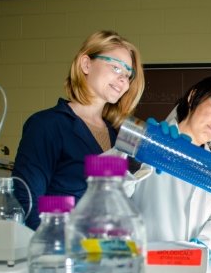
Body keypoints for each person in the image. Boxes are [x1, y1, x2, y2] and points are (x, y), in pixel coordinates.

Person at [11, 30, 145, 230]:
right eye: (116, 68)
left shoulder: (117, 136)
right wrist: (53, 251)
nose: (123, 81)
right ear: (86, 64)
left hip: (102, 251)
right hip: (61, 253)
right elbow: (27, 202)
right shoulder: (47, 125)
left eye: (128, 75)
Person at [128, 76, 211, 261]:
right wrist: (136, 155)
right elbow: (105, 190)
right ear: (193, 97)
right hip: (146, 266)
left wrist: (207, 248)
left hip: (193, 270)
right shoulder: (149, 143)